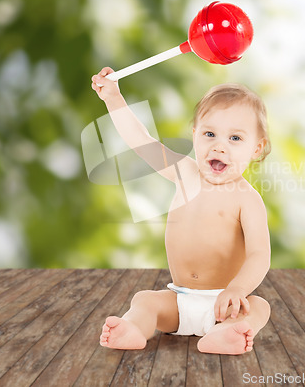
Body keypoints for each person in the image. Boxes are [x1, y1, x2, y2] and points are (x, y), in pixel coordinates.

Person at [92, 67, 271, 355]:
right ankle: (134, 327)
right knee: (145, 300)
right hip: (179, 299)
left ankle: (225, 332)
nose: (219, 146)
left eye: (235, 139)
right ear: (194, 135)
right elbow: (142, 142)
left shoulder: (247, 199)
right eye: (209, 134)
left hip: (224, 304)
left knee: (260, 306)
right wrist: (113, 98)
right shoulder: (184, 173)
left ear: (256, 148)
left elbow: (260, 254)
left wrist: (237, 290)